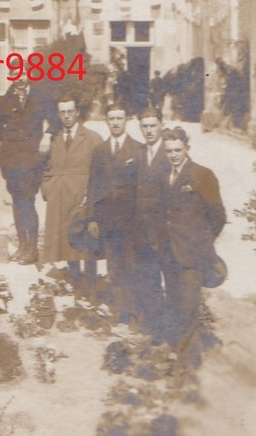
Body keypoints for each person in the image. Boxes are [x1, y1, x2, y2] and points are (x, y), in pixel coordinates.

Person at [155, 127, 227, 366]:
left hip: (191, 256)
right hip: (169, 254)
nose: (173, 155)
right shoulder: (163, 174)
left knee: (188, 308)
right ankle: (180, 350)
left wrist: (200, 243)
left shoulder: (201, 175)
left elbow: (217, 216)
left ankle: (188, 363)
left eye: (177, 150)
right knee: (174, 303)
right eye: (168, 151)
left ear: (187, 148)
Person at [0, 79, 59, 265]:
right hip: (11, 159)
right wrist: (12, 138)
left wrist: (46, 136)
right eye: (14, 73)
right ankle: (22, 245)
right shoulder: (3, 101)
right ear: (10, 76)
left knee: (27, 200)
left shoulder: (41, 97)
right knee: (16, 201)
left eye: (22, 72)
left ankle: (32, 249)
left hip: (32, 160)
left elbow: (56, 121)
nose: (19, 77)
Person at [86, 104, 143, 320]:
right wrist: (92, 218)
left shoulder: (137, 149)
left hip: (130, 221)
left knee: (131, 265)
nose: (116, 122)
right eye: (112, 118)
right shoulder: (99, 150)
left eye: (120, 118)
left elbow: (141, 188)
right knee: (113, 266)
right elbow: (93, 185)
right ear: (106, 121)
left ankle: (134, 312)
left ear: (127, 119)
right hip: (107, 220)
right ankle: (119, 310)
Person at [41, 96, 102, 291]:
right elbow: (44, 166)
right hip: (59, 196)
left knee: (87, 242)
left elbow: (100, 171)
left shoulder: (92, 138)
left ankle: (91, 285)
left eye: (70, 111)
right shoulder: (54, 137)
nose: (66, 116)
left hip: (82, 197)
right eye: (62, 112)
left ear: (77, 112)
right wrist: (47, 189)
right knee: (67, 243)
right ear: (58, 114)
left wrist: (90, 196)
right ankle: (76, 282)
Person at [129, 107, 169, 340]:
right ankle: (151, 326)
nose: (149, 130)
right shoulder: (140, 152)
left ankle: (169, 329)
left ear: (161, 125)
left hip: (164, 232)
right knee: (147, 277)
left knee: (170, 280)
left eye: (153, 125)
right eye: (145, 126)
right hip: (142, 231)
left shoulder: (171, 151)